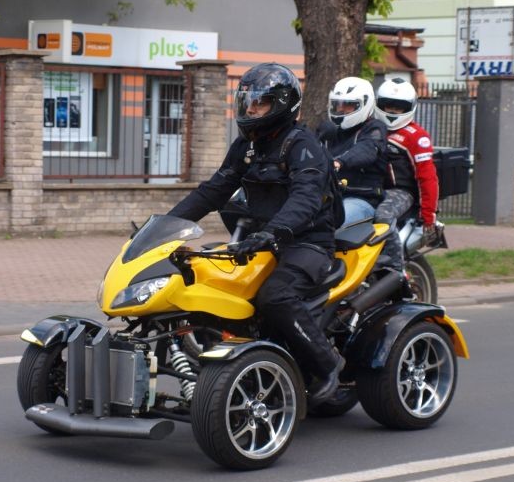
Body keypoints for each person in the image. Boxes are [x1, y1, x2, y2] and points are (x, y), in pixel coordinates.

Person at [167, 63, 344, 406]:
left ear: (282, 104)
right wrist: (166, 225)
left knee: (275, 296)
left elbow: (305, 198)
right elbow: (213, 191)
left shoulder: (302, 146)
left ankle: (328, 365)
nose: (250, 110)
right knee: (208, 282)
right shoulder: (247, 147)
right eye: (247, 102)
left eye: (260, 102)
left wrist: (275, 232)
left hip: (307, 243)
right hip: (262, 241)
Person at [373, 77, 440, 272]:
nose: (393, 111)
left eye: (399, 107)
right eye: (388, 105)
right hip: (373, 189)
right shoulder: (372, 129)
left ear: (409, 107)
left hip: (401, 192)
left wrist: (428, 215)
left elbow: (427, 177)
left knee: (383, 215)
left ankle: (395, 267)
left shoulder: (416, 136)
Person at [318, 76, 388, 226]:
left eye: (348, 104)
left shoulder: (374, 128)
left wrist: (339, 162)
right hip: (328, 196)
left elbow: (366, 149)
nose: (341, 109)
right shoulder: (329, 130)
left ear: (365, 103)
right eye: (337, 104)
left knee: (330, 223)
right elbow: (311, 148)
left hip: (360, 198)